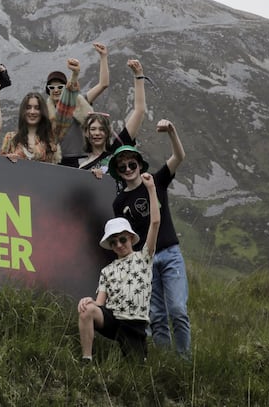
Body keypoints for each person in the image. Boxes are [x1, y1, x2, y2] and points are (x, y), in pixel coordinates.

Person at [110, 120, 191, 356]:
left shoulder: (157, 181)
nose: (128, 169)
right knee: (156, 316)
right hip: (145, 262)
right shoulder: (119, 203)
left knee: (177, 309)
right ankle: (167, 362)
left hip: (170, 254)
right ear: (118, 171)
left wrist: (172, 132)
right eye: (122, 167)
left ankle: (185, 360)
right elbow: (125, 239)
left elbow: (179, 156)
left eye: (131, 164)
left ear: (139, 164)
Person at [77, 173, 160, 362]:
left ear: (131, 238)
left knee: (135, 371)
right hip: (113, 319)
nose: (119, 245)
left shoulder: (144, 257)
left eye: (122, 239)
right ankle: (86, 359)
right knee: (86, 310)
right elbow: (100, 303)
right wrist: (88, 301)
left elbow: (155, 223)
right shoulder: (107, 270)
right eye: (113, 242)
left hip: (135, 324)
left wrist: (151, 189)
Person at [1, 58, 81, 164]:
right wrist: (8, 160)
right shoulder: (10, 138)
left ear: (42, 111)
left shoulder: (50, 138)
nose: (32, 112)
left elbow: (64, 110)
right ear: (23, 112)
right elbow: (0, 167)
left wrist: (74, 75)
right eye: (28, 107)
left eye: (37, 108)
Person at [46, 42, 109, 167]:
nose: (56, 90)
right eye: (52, 87)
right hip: (54, 160)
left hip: (80, 158)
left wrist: (103, 57)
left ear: (67, 87)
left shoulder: (80, 102)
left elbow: (103, 84)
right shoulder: (44, 111)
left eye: (60, 86)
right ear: (48, 90)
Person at [78, 58, 146, 173]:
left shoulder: (117, 150)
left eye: (101, 129)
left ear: (108, 132)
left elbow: (139, 111)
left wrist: (138, 75)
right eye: (93, 129)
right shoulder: (82, 168)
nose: (97, 133)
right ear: (86, 132)